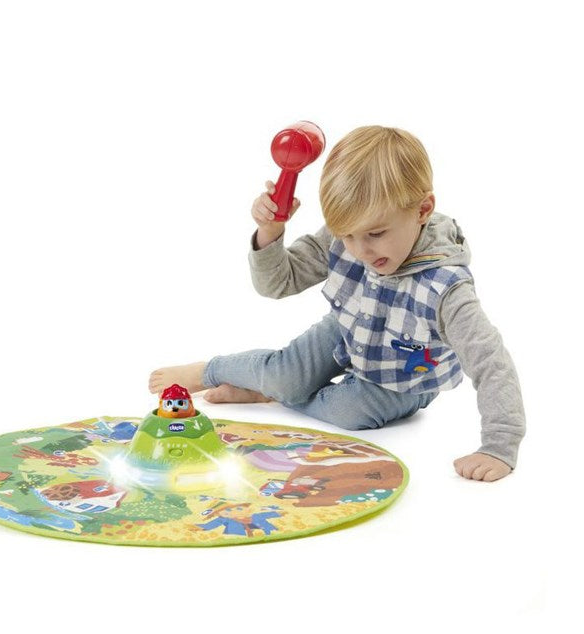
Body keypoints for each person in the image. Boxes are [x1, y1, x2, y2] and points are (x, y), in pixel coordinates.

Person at [149, 126, 526, 482]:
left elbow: (491, 362)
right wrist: (271, 231)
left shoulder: (447, 288)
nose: (360, 250)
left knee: (348, 412)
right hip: (349, 328)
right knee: (284, 374)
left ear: (423, 209)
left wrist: (499, 447)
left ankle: (271, 392)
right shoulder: (346, 235)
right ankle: (215, 371)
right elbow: (278, 283)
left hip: (405, 376)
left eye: (376, 233)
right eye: (347, 235)